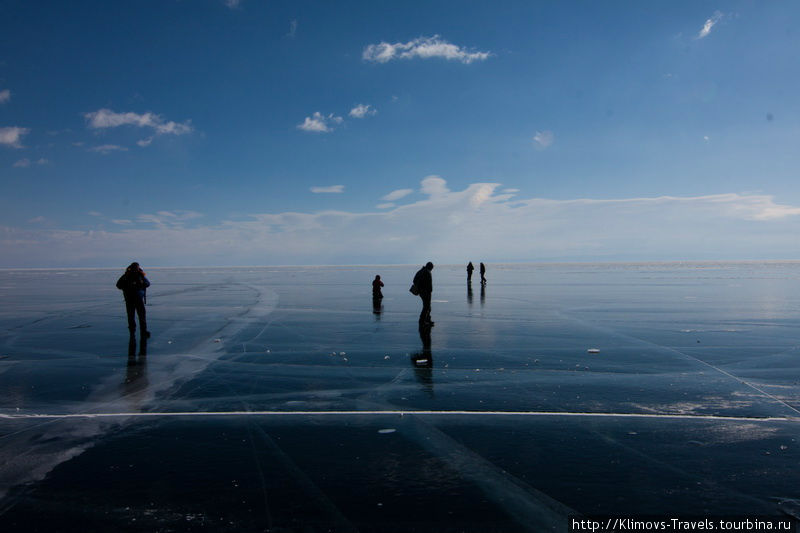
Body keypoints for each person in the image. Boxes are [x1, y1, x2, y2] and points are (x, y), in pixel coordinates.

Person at [116, 262, 150, 338]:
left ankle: (134, 330)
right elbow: (147, 283)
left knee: (133, 315)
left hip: (131, 298)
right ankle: (140, 330)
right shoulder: (131, 275)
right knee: (140, 315)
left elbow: (118, 285)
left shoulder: (128, 275)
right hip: (134, 298)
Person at [413, 262, 434, 326]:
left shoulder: (420, 271)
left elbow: (414, 280)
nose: (432, 269)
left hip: (422, 291)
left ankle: (427, 319)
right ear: (430, 267)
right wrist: (429, 290)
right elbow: (429, 284)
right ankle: (422, 321)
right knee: (426, 306)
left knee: (427, 306)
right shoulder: (427, 272)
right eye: (432, 268)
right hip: (426, 292)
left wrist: (419, 287)